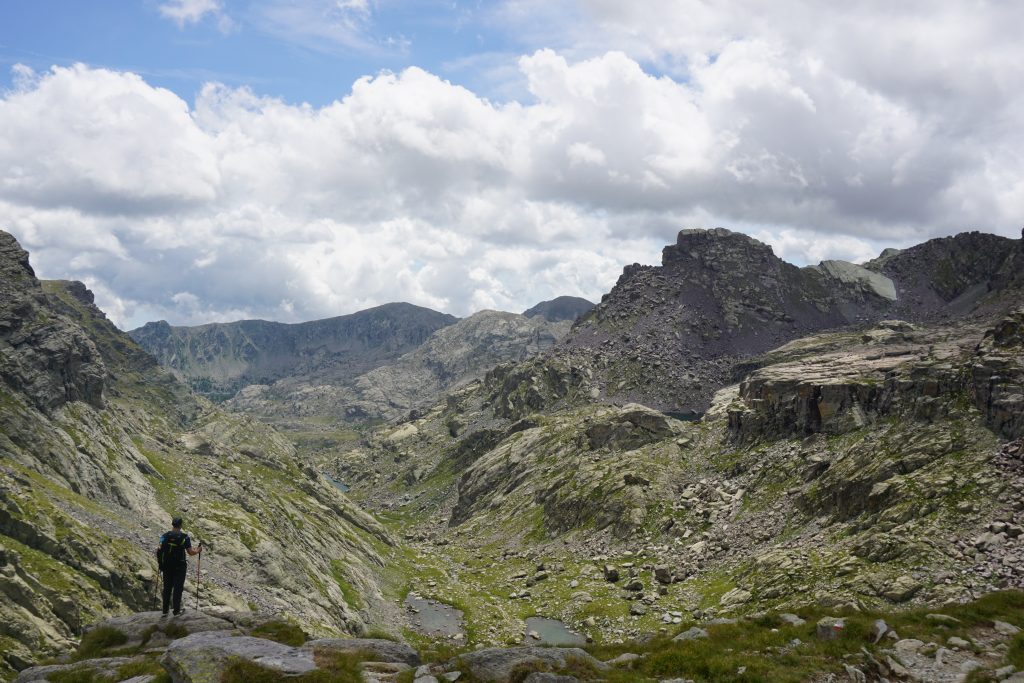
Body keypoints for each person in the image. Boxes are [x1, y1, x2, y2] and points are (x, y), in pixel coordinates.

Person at [157, 516, 202, 616]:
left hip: (167, 566)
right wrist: (198, 550)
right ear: (181, 525)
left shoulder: (164, 536)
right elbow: (190, 552)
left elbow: (159, 549)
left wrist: (160, 563)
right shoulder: (184, 537)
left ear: (172, 524)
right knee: (178, 588)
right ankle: (176, 611)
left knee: (167, 587)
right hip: (180, 566)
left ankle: (165, 611)